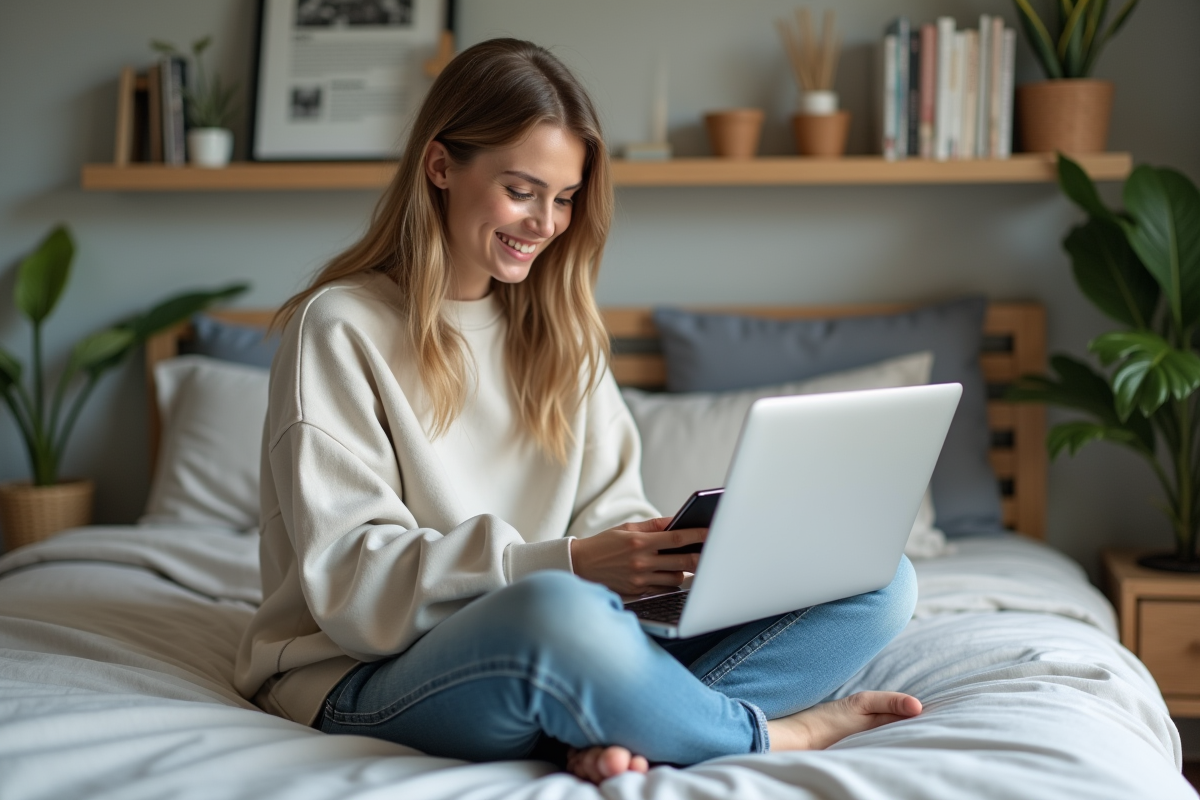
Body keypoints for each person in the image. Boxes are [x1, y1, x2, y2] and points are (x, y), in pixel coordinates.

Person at [234, 38, 921, 784]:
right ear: (440, 166)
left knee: (879, 578)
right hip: (369, 673)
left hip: (577, 638)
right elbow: (353, 590)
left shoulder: (561, 327)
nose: (546, 224)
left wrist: (669, 560)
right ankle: (769, 736)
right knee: (559, 617)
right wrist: (564, 566)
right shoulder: (338, 327)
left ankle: (628, 718)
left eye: (564, 199)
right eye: (523, 190)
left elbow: (609, 505)